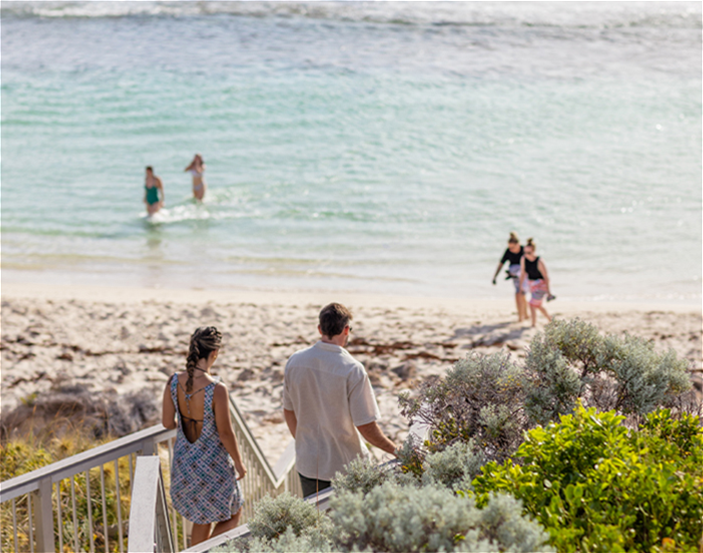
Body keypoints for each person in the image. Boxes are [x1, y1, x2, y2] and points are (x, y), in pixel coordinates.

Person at [283, 303, 397, 498]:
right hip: (346, 467)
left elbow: (288, 411)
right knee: (351, 517)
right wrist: (396, 450)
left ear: (320, 329)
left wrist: (305, 442)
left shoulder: (295, 361)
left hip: (309, 464)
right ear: (346, 330)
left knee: (316, 517)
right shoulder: (352, 369)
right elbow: (366, 427)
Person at [161, 327, 247, 546]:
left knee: (201, 521)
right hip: (212, 468)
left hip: (185, 466)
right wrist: (239, 464)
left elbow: (167, 423)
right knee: (235, 512)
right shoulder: (217, 389)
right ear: (214, 353)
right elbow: (225, 433)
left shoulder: (173, 381)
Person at [492, 232, 529, 322]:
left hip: (524, 274)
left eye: (513, 247)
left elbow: (532, 262)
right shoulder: (508, 251)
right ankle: (522, 315)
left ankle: (524, 315)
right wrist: (495, 276)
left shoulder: (524, 250)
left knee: (521, 293)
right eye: (510, 248)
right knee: (519, 293)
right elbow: (501, 264)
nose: (511, 249)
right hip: (514, 275)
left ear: (518, 244)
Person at [519, 238, 553, 327]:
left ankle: (533, 324)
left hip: (542, 285)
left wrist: (549, 292)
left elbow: (546, 277)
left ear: (534, 251)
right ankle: (551, 320)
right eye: (525, 252)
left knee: (532, 304)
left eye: (529, 253)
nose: (527, 255)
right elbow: (523, 273)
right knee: (538, 305)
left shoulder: (539, 261)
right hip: (532, 285)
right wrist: (521, 286)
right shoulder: (523, 259)